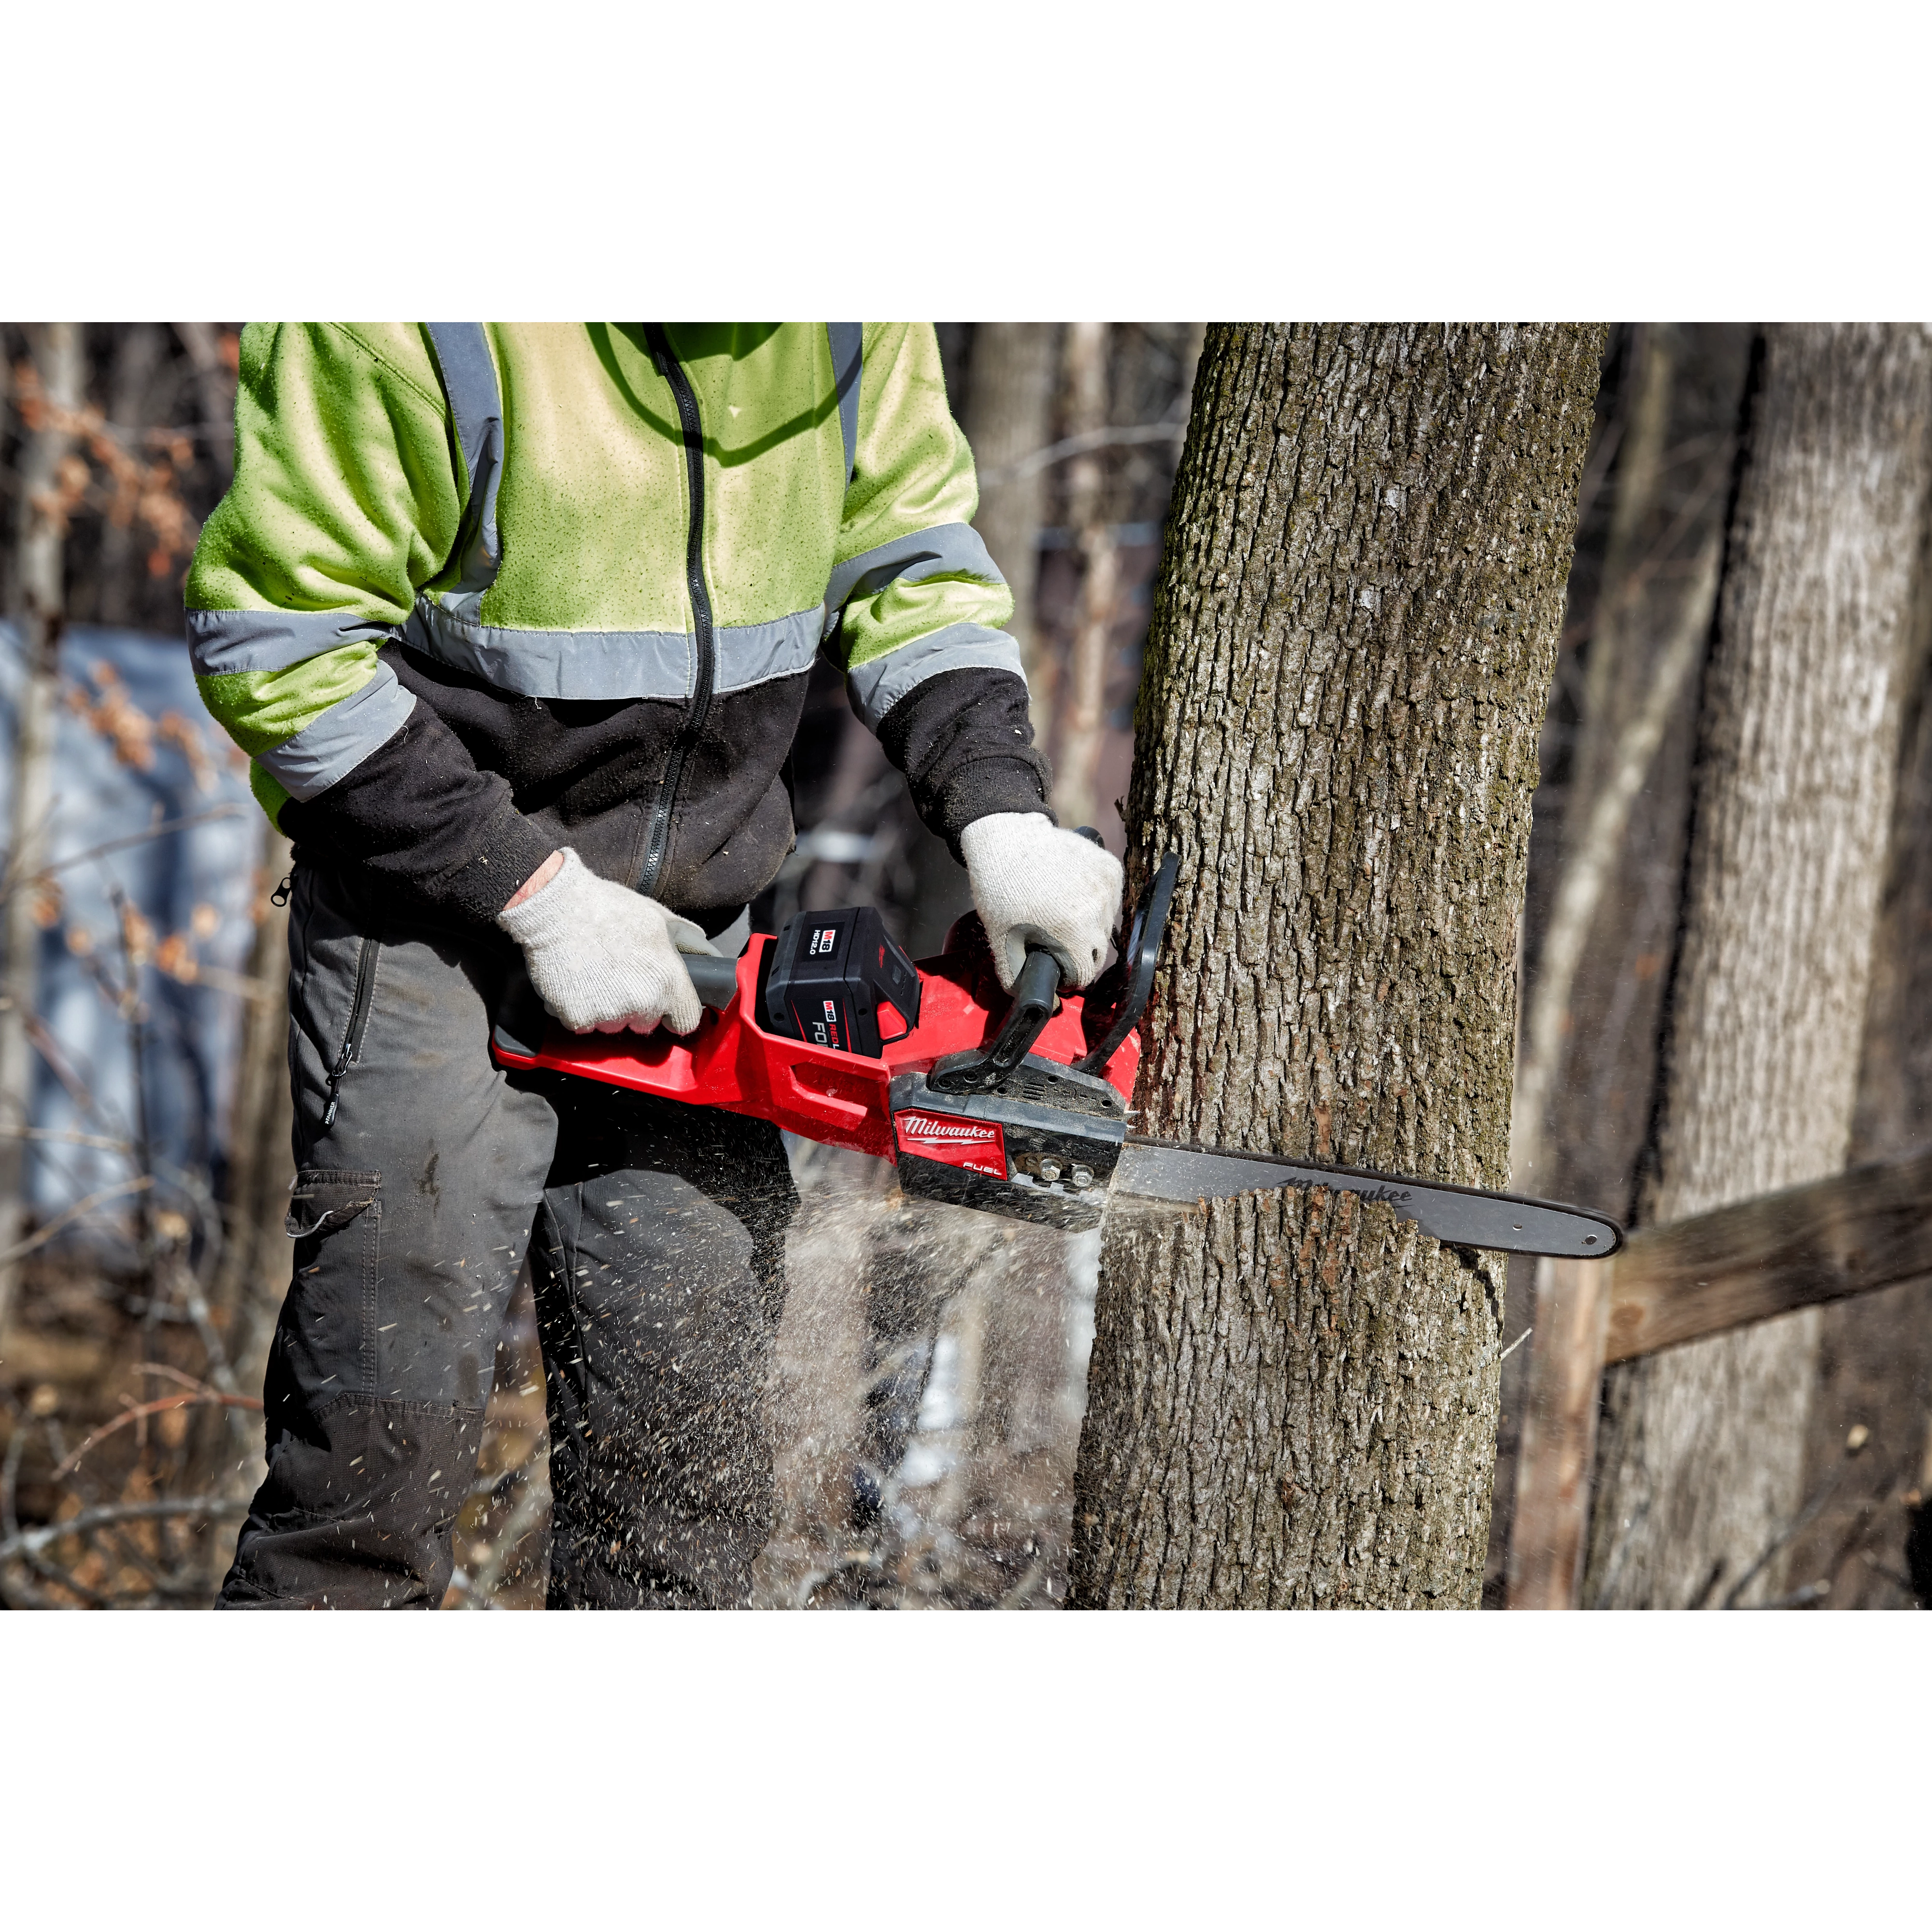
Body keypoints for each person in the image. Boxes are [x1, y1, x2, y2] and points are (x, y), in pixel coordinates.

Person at [185, 322, 1122, 1609]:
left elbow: (910, 558)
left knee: (683, 1499)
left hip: (695, 938)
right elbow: (278, 652)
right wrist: (533, 892)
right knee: (371, 1474)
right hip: (428, 910)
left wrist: (999, 808)